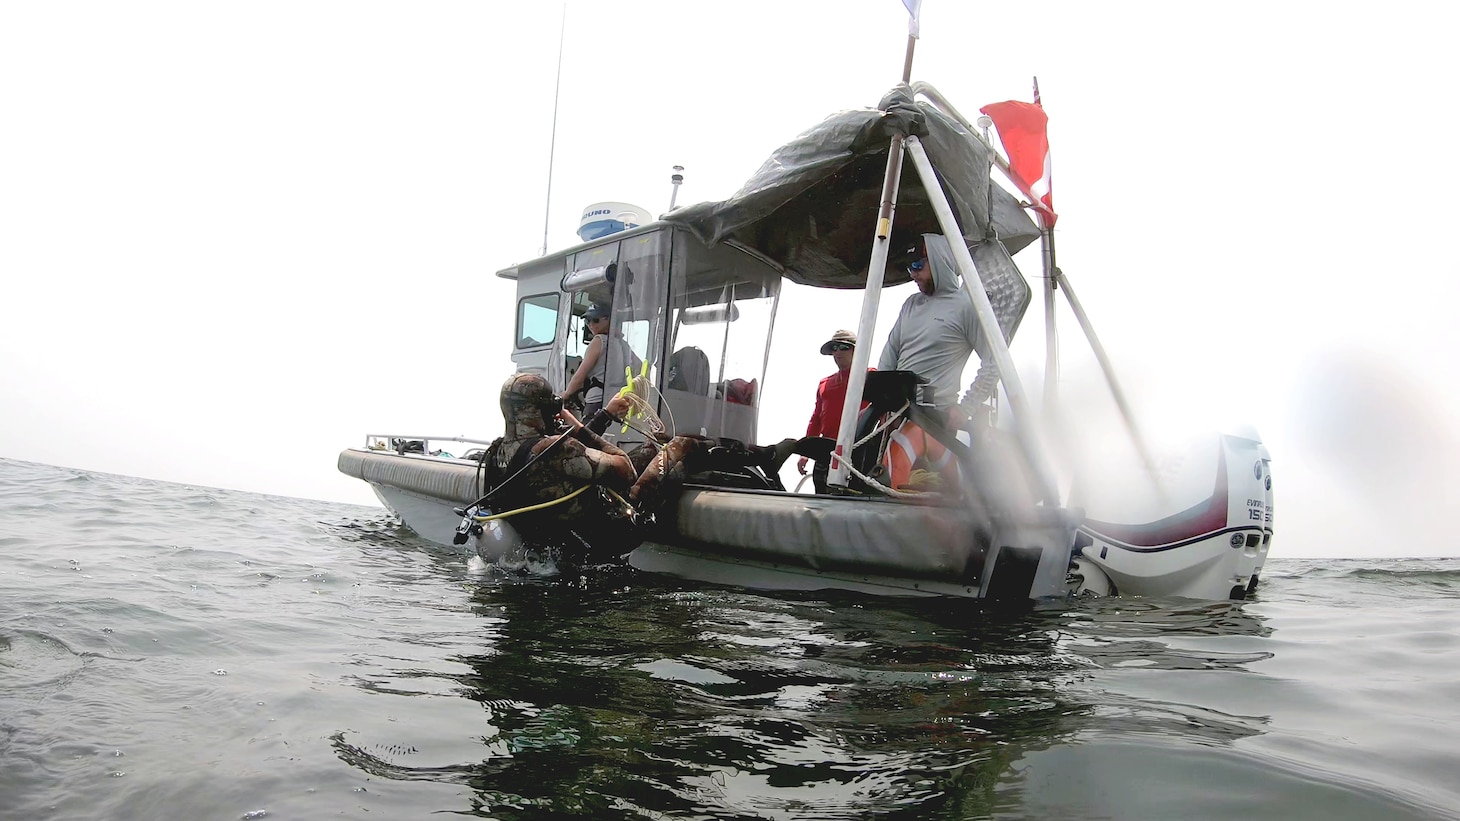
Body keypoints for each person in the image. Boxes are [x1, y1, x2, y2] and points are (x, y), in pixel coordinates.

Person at [875, 233, 994, 490]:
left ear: (938, 260)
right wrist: (881, 401)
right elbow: (890, 353)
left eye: (918, 266)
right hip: (898, 412)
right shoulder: (910, 305)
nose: (913, 274)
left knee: (903, 457)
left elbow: (994, 362)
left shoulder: (966, 307)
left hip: (936, 418)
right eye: (909, 267)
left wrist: (966, 408)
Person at [797, 329, 872, 493]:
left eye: (844, 347)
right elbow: (816, 419)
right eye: (834, 348)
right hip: (826, 451)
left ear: (856, 350)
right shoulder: (825, 383)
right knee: (821, 502)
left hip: (860, 452)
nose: (838, 352)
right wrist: (806, 453)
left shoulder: (872, 377)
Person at [559, 303, 643, 418]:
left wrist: (566, 394)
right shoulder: (623, 344)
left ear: (608, 320)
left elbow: (580, 376)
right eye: (587, 321)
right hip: (618, 400)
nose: (591, 325)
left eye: (595, 320)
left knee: (586, 434)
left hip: (597, 400)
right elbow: (640, 365)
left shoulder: (599, 340)